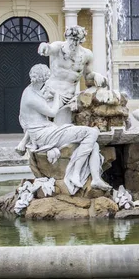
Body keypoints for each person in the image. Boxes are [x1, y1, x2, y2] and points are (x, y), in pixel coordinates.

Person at [18, 64, 111, 195]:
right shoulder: (31, 98)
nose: (47, 83)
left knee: (93, 144)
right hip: (44, 136)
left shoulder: (31, 90)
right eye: (46, 79)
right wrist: (57, 95)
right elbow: (52, 112)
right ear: (42, 79)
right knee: (92, 132)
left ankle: (96, 178)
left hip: (47, 131)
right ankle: (76, 173)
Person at [37, 25, 106, 126]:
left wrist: (96, 75)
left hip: (70, 95)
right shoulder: (59, 47)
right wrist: (44, 46)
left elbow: (87, 76)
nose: (73, 42)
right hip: (51, 92)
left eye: (77, 40)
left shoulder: (87, 55)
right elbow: (49, 48)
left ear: (81, 40)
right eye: (71, 39)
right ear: (66, 37)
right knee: (42, 118)